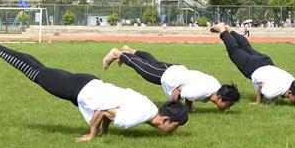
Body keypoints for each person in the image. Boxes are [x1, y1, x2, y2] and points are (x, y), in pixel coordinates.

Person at [0, 37, 187, 142]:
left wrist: (103, 132)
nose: (173, 132)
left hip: (89, 83)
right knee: (36, 73)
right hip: (79, 89)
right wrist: (92, 135)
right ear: (167, 121)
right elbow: (103, 112)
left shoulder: (147, 106)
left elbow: (112, 107)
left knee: (40, 71)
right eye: (175, 128)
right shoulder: (136, 118)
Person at [102, 46, 240, 112]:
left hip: (177, 70)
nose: (230, 106)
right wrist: (171, 109)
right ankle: (116, 54)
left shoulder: (214, 85)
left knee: (151, 62)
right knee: (143, 69)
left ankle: (130, 51)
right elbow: (178, 92)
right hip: (169, 76)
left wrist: (188, 108)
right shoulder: (202, 92)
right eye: (230, 103)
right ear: (221, 99)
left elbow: (190, 92)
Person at [211, 23, 295, 105]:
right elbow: (261, 86)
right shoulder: (272, 93)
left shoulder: (294, 81)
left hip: (267, 62)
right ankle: (222, 29)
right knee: (234, 50)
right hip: (254, 67)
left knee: (246, 47)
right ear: (290, 93)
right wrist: (258, 101)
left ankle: (229, 30)